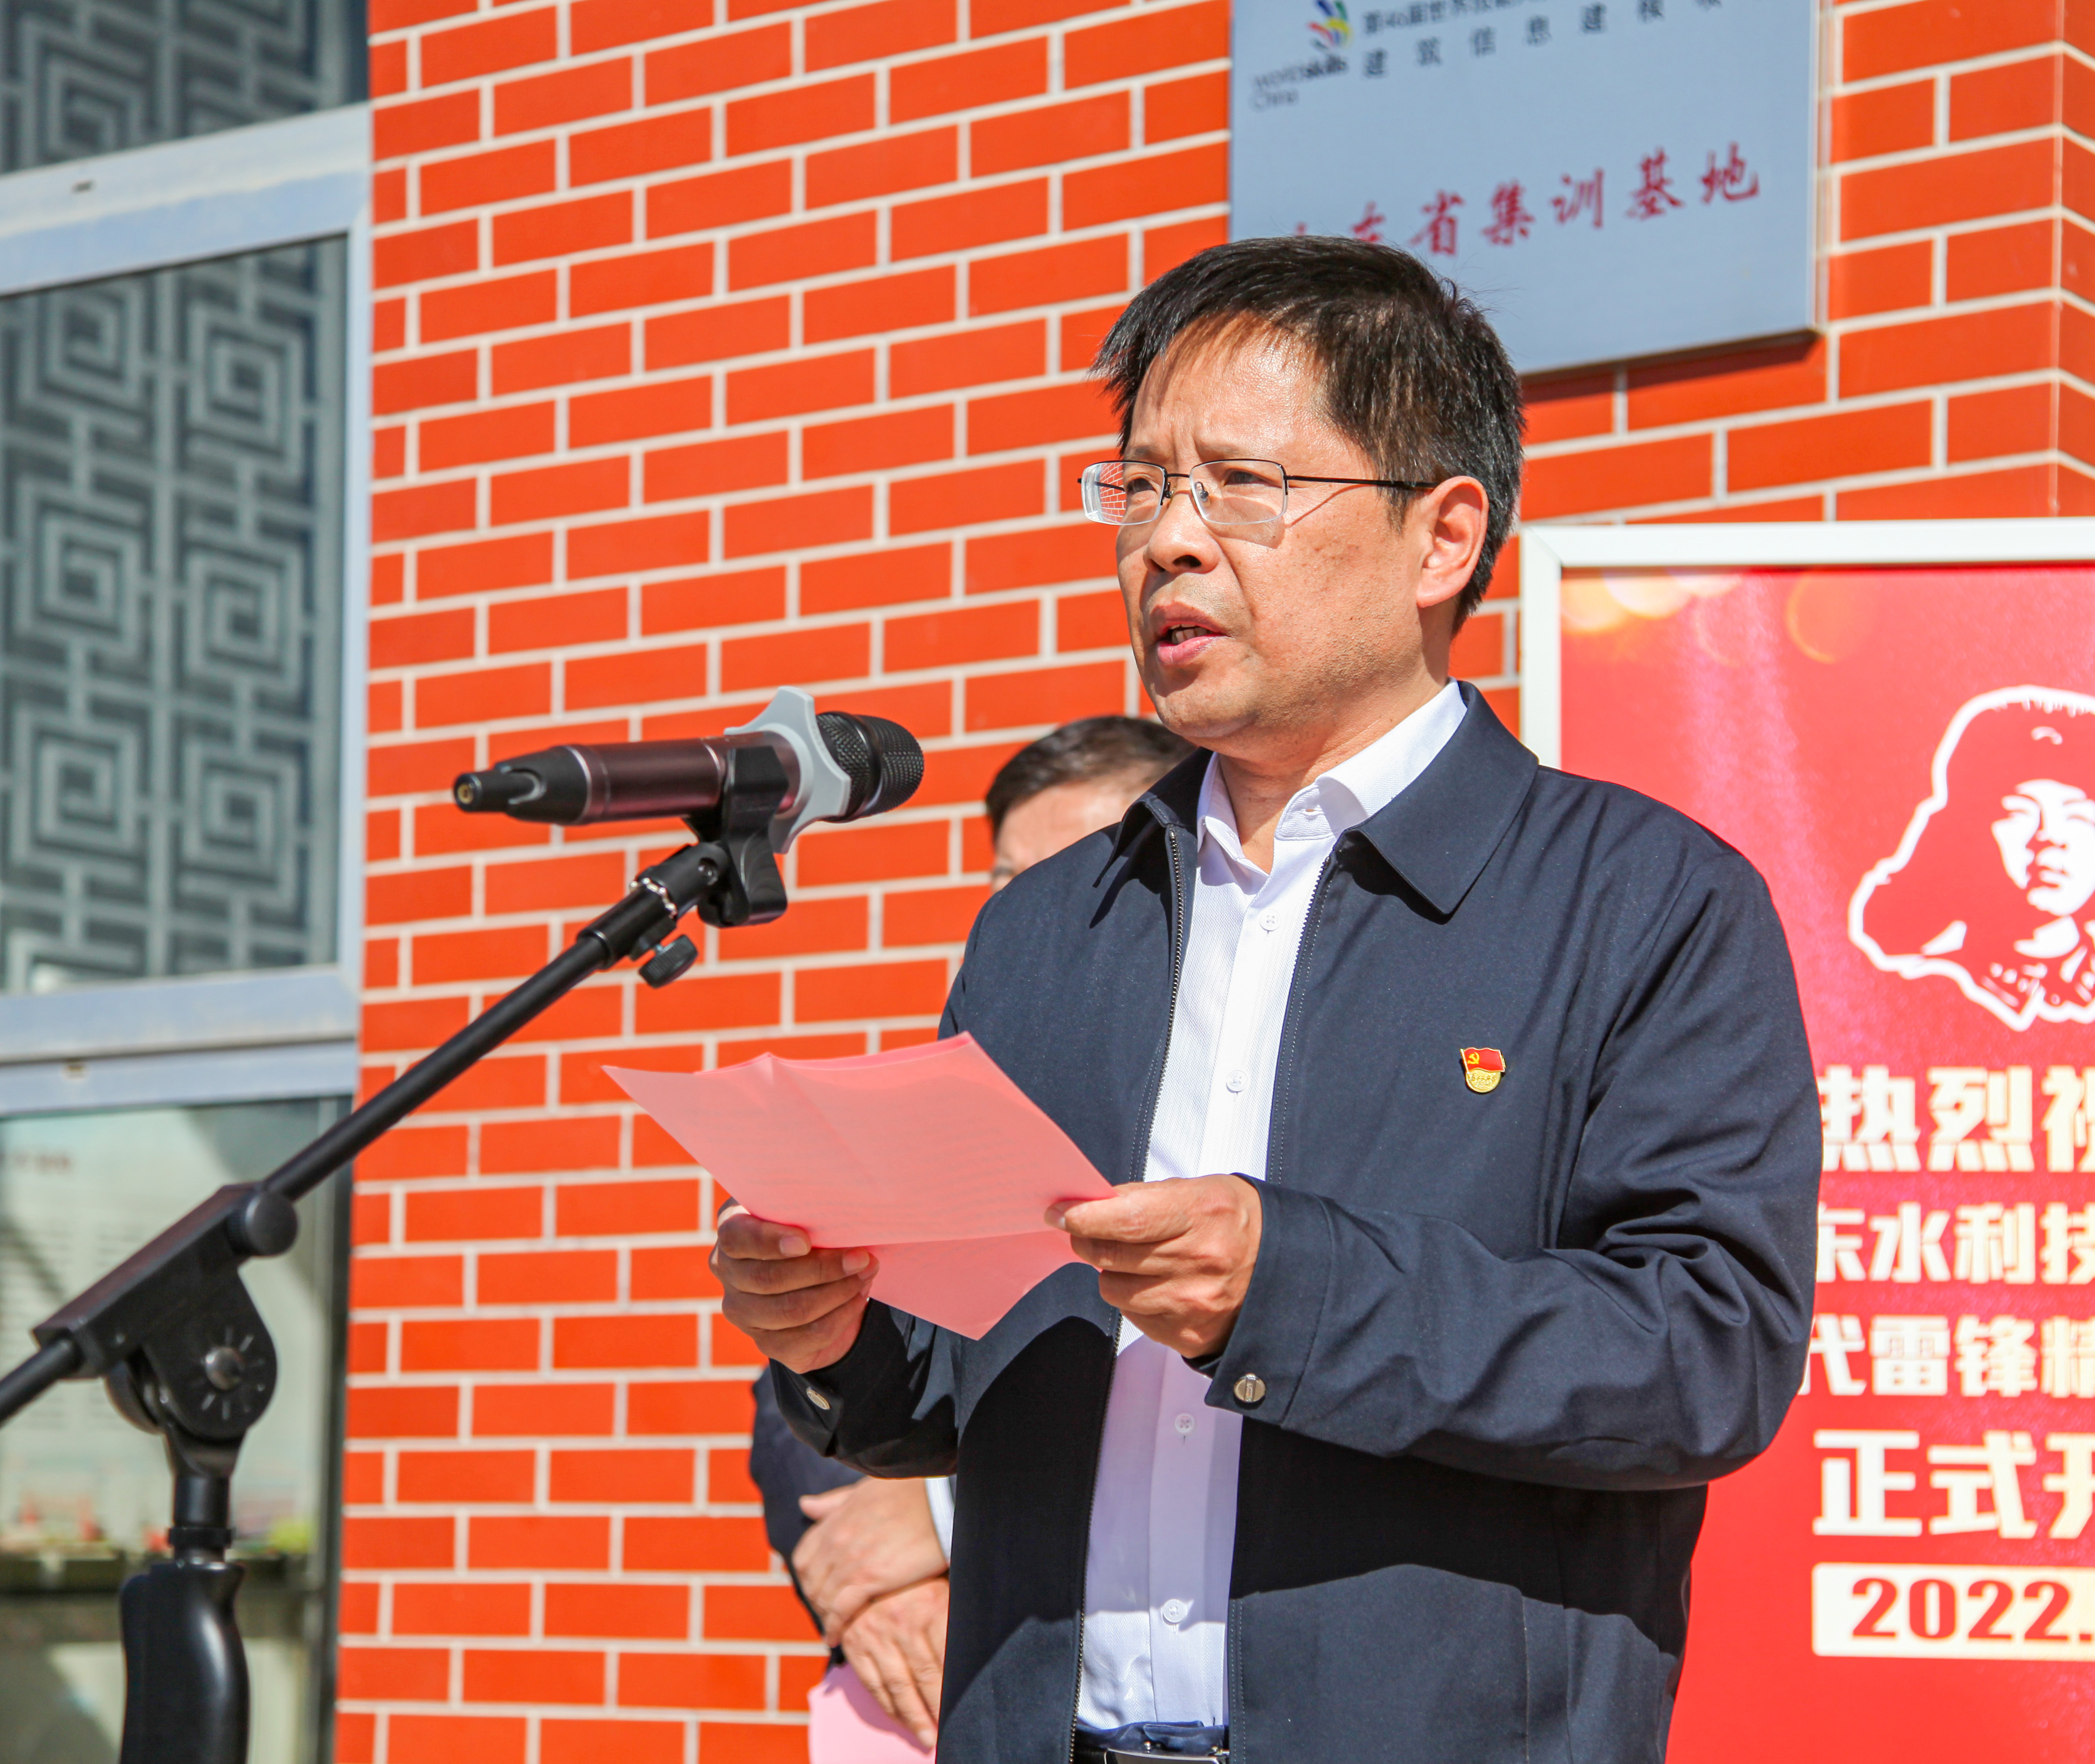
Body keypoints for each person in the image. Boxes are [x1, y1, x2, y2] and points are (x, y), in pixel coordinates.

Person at [711, 236, 1821, 1764]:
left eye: (1240, 483)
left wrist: (1291, 1290)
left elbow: (1707, 1355)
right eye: (1140, 487)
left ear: (1441, 538)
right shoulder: (1047, 924)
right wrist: (840, 1338)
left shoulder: (1642, 902)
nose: (1168, 540)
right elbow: (971, 1378)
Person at [751, 716, 1197, 1759]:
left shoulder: (1239, 1102)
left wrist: (943, 1520)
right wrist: (876, 1581)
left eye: (1081, 876)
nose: (1047, 915)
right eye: (1014, 883)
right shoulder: (955, 1087)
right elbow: (812, 1380)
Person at [1852, 686, 2095, 1030]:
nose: (2050, 837)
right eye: (2020, 814)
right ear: (1965, 837)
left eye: (2077, 815)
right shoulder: (1923, 992)